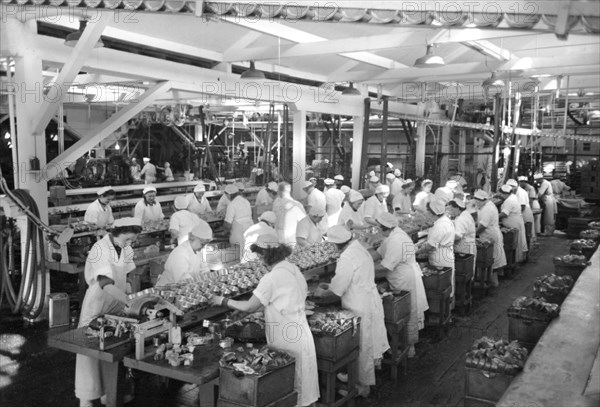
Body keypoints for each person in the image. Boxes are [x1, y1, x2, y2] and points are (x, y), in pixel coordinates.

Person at [209, 234, 320, 407]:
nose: (259, 260)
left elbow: (249, 307)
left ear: (267, 255)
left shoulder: (271, 278)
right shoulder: (293, 269)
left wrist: (222, 301)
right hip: (301, 331)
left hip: (286, 337)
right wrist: (247, 311)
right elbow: (275, 301)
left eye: (260, 256)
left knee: (290, 386)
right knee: (304, 383)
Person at [315, 226, 390, 397]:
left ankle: (362, 386)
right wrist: (331, 285)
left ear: (336, 245)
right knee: (367, 341)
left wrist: (321, 292)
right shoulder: (358, 248)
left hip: (359, 303)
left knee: (362, 344)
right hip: (367, 298)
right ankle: (357, 376)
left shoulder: (347, 258)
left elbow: (338, 289)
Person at [75, 217, 142, 407]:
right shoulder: (99, 249)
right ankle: (86, 398)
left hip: (117, 301)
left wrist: (130, 290)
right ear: (115, 233)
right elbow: (104, 283)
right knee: (88, 350)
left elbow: (128, 272)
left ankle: (108, 393)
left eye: (132, 240)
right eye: (126, 239)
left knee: (112, 346)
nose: (129, 244)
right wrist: (129, 301)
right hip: (98, 302)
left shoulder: (126, 247)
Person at [372, 213, 428, 357]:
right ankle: (400, 344)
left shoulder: (396, 240)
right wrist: (362, 255)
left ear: (385, 228)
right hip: (400, 277)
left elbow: (385, 266)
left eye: (379, 228)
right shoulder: (393, 235)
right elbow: (378, 254)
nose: (378, 230)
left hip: (403, 279)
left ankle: (409, 347)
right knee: (403, 312)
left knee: (406, 312)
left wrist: (365, 269)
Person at [419, 198, 456, 304]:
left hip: (440, 258)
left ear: (433, 213)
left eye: (428, 211)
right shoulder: (444, 220)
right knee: (446, 286)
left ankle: (440, 313)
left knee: (440, 288)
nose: (427, 214)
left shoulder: (439, 225)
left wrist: (415, 251)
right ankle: (446, 312)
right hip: (446, 254)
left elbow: (430, 246)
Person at [472, 190, 507, 286]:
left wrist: (474, 234)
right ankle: (491, 279)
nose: (476, 203)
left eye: (478, 201)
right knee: (492, 257)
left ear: (483, 200)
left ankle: (492, 282)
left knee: (491, 258)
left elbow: (483, 225)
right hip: (490, 234)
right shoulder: (487, 205)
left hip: (490, 235)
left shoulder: (487, 208)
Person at [498, 184, 528, 263]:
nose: (501, 196)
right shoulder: (513, 196)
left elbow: (504, 214)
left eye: (501, 194)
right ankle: (516, 260)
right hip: (516, 221)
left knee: (514, 243)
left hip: (513, 223)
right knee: (517, 241)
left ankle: (514, 261)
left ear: (505, 193)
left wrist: (494, 217)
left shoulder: (509, 200)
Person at [446, 199, 477, 272]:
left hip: (463, 249)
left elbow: (458, 236)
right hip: (469, 246)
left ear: (457, 208)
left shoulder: (461, 219)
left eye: (451, 209)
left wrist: (446, 238)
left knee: (464, 272)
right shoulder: (465, 214)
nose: (450, 212)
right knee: (469, 271)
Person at [223, 184, 254, 256]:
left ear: (229, 194)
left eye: (226, 195)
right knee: (248, 252)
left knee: (239, 254)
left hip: (238, 231)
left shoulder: (232, 204)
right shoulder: (246, 201)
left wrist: (225, 233)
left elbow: (227, 224)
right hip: (249, 227)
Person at [518, 176, 537, 244]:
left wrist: (531, 209)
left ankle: (530, 243)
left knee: (529, 229)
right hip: (526, 207)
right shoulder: (521, 189)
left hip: (529, 207)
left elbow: (531, 200)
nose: (519, 184)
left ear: (524, 182)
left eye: (520, 182)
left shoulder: (530, 188)